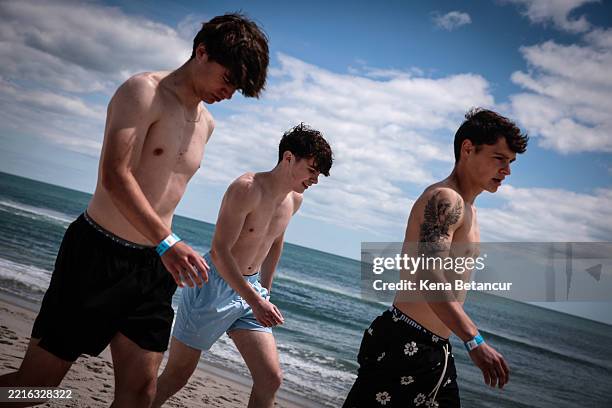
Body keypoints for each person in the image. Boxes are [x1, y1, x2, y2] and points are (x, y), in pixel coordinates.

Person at [0, 13, 269, 408]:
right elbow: (114, 174)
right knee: (36, 385)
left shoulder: (206, 124)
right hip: (97, 255)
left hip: (153, 269)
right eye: (227, 79)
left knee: (140, 394)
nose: (228, 93)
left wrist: (162, 248)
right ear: (202, 51)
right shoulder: (143, 92)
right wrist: (167, 242)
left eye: (238, 88)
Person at [344, 108, 528, 407]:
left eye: (510, 162)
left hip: (436, 350)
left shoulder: (469, 208)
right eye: (500, 158)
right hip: (406, 345)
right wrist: (474, 340)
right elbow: (430, 276)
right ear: (468, 149)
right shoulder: (446, 199)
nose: (507, 171)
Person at [152, 124, 333, 408]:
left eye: (319, 173)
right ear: (288, 158)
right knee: (176, 377)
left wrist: (264, 292)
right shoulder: (246, 188)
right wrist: (255, 300)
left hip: (251, 290)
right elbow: (220, 251)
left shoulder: (294, 200)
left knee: (270, 378)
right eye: (312, 170)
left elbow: (275, 242)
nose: (315, 180)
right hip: (211, 286)